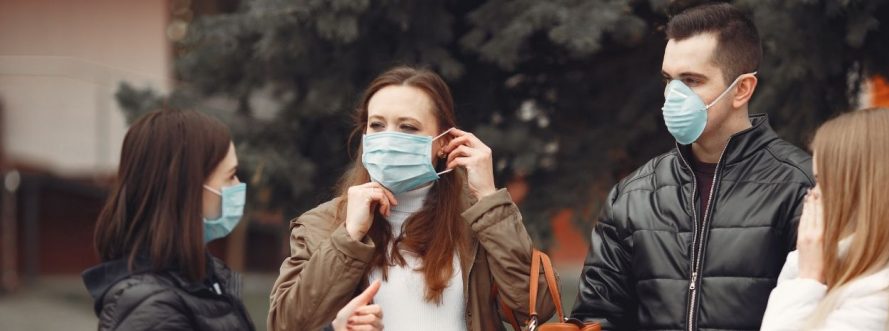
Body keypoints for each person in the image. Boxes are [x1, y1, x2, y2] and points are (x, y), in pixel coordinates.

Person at [571, 3, 815, 330]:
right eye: (669, 80)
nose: (674, 96)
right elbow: (597, 316)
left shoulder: (803, 188)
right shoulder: (634, 195)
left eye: (691, 80)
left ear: (742, 89)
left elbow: (823, 312)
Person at [267, 66, 553, 331]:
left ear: (443, 142)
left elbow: (535, 308)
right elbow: (285, 324)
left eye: (408, 127)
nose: (389, 139)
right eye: (377, 125)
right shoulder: (322, 224)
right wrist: (349, 236)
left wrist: (489, 198)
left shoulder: (478, 218)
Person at [761, 108, 889, 330]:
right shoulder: (869, 278)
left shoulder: (888, 297)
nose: (813, 194)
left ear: (857, 190)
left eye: (823, 180)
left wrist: (807, 277)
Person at [82, 108, 256, 330]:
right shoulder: (152, 309)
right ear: (187, 189)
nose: (238, 186)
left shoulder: (206, 276)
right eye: (230, 176)